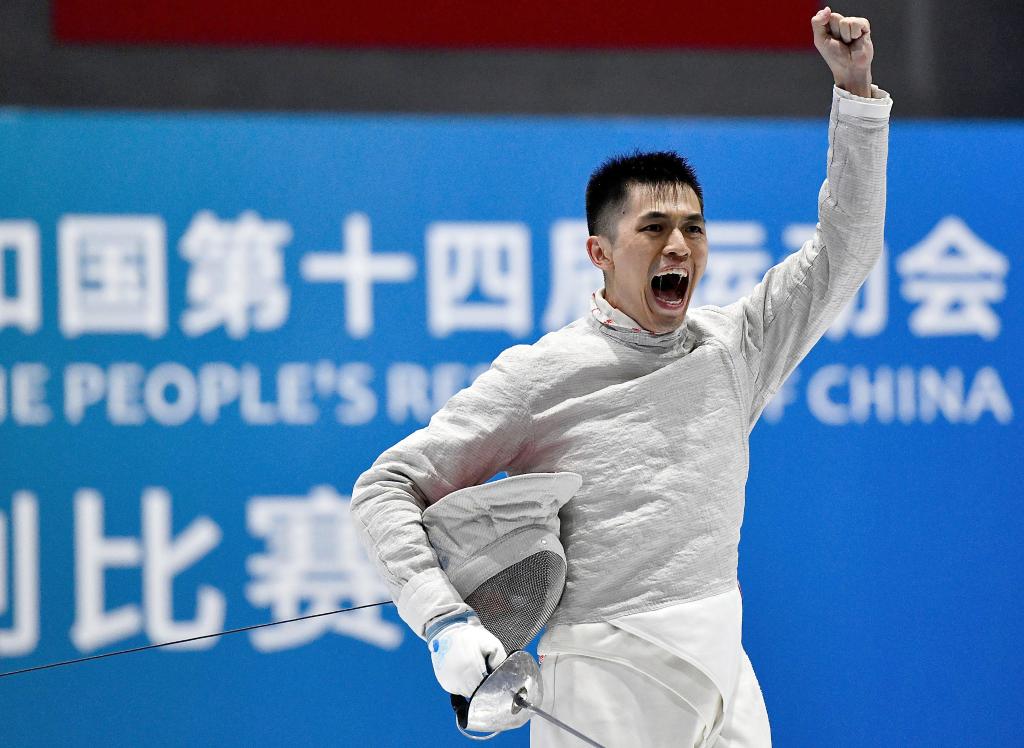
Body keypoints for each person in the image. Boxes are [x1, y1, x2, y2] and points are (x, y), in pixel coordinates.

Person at [351, 7, 891, 746]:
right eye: (653, 229)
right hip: (605, 681)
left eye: (693, 228)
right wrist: (442, 620)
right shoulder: (544, 375)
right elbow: (386, 486)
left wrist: (855, 93)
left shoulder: (735, 346)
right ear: (599, 253)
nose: (679, 246)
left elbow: (846, 249)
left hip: (723, 672)